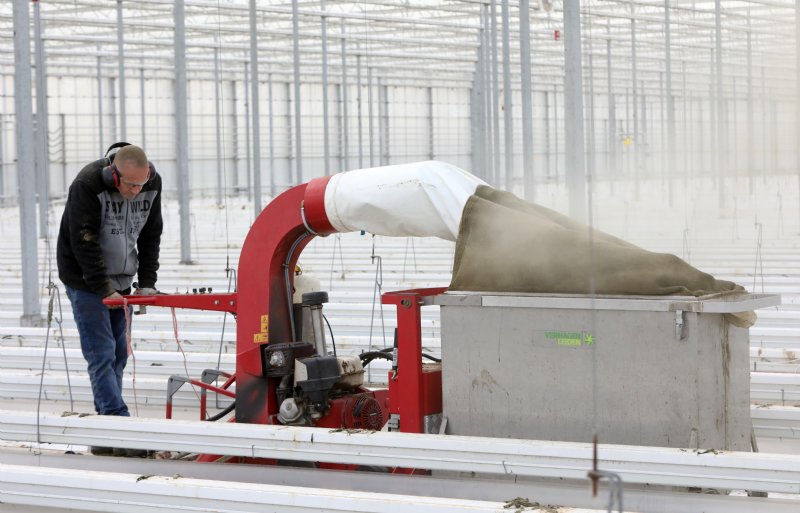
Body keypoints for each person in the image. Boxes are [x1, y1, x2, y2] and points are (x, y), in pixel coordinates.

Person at [57, 143, 162, 456]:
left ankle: (105, 432)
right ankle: (118, 423)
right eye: (130, 185)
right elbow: (84, 241)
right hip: (85, 281)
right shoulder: (87, 184)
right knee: (101, 353)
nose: (135, 192)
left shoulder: (152, 185)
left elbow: (151, 234)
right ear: (112, 175)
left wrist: (147, 283)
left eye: (140, 185)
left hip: (123, 280)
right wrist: (104, 289)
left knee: (119, 354)